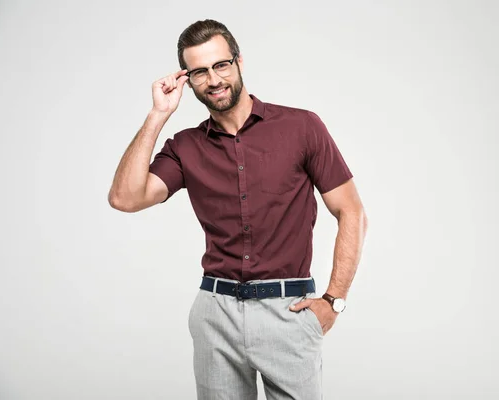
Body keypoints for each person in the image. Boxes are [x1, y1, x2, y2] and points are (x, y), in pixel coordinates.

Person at [108, 19, 368, 400]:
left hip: (289, 312)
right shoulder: (184, 146)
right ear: (188, 80)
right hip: (216, 313)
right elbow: (125, 199)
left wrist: (333, 300)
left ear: (239, 62)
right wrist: (157, 116)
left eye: (220, 65)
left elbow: (352, 212)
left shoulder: (302, 127)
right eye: (199, 72)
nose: (213, 80)